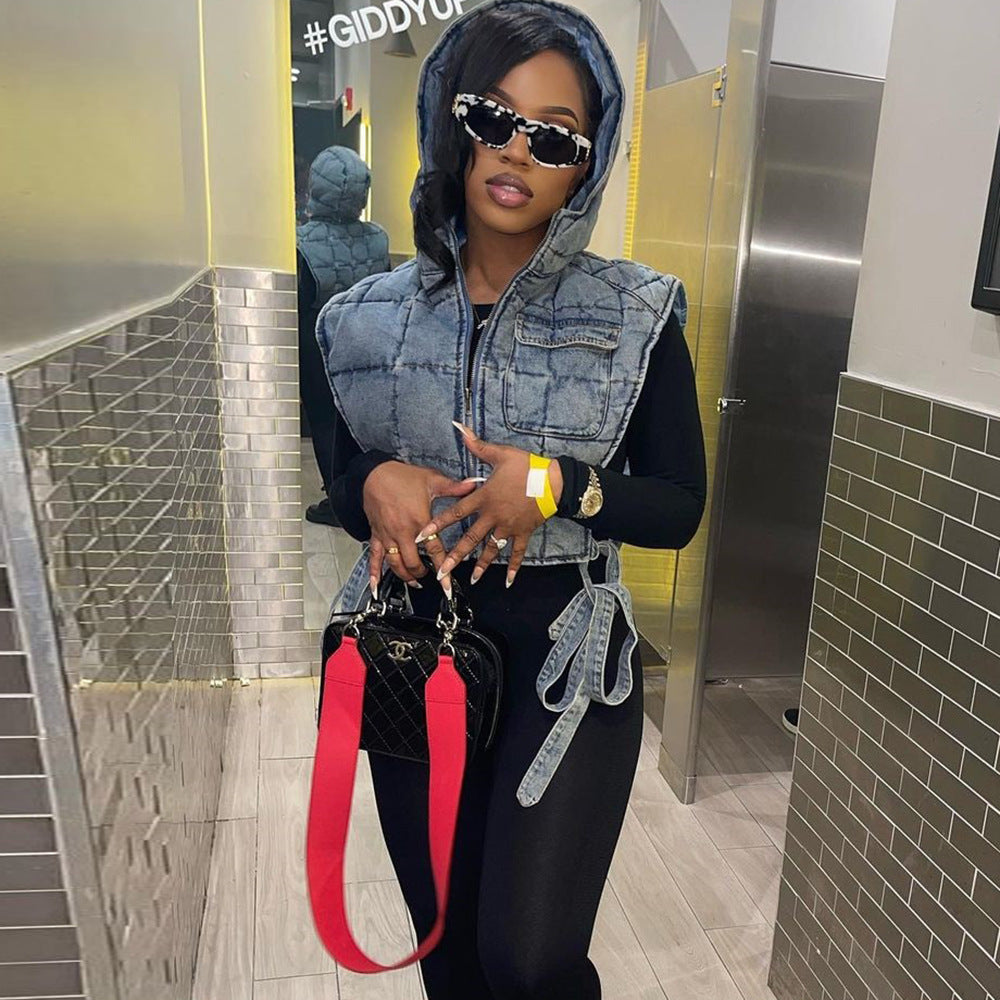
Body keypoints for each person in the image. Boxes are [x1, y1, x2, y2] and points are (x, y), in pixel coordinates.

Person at [316, 2, 706, 997]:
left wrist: (561, 482)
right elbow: (336, 469)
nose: (517, 150)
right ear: (451, 122)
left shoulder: (637, 313)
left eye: (554, 136)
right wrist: (371, 479)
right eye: (492, 116)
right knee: (448, 953)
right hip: (410, 647)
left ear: (585, 164)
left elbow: (676, 505)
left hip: (566, 658)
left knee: (528, 961)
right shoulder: (360, 319)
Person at [297, 145, 390, 525]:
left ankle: (338, 501)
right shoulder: (378, 238)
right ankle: (367, 491)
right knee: (363, 420)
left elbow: (300, 302)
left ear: (316, 186)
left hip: (319, 348)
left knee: (325, 424)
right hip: (369, 339)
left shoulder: (301, 242)